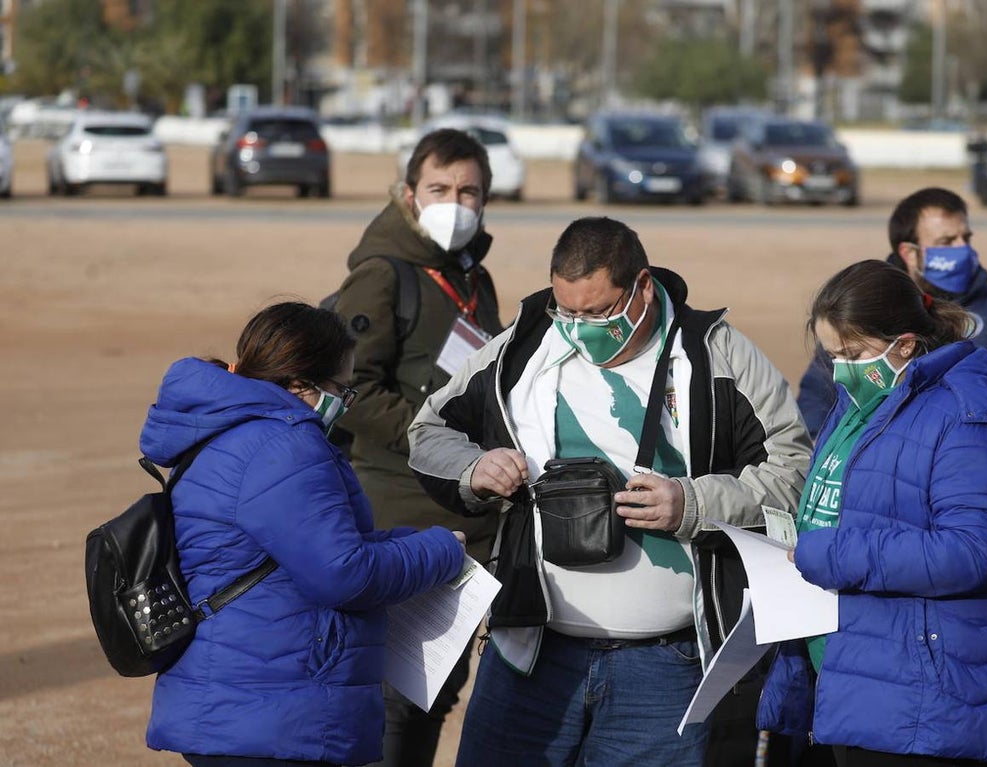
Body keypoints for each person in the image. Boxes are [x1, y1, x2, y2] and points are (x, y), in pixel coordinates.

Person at [408, 216, 812, 766]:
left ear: (642, 286)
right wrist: (474, 468)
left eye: (597, 313)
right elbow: (428, 432)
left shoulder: (717, 353)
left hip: (667, 669)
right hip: (530, 658)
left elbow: (793, 473)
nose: (579, 328)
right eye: (566, 311)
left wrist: (692, 505)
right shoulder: (524, 346)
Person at [139, 302, 466, 767]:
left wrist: (404, 544)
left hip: (240, 700)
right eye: (341, 389)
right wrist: (439, 552)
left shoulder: (230, 428)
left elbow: (297, 548)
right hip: (271, 712)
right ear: (299, 385)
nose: (345, 403)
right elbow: (342, 575)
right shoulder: (284, 444)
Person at [758, 260, 987, 766]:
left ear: (904, 344)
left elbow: (972, 550)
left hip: (927, 703)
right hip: (854, 683)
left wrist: (832, 554)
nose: (840, 370)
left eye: (851, 355)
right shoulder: (859, 404)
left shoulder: (968, 414)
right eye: (832, 356)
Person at [331, 128, 504, 766]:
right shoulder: (381, 275)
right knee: (394, 699)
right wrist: (438, 444)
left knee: (437, 689)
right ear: (409, 194)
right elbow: (350, 391)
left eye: (468, 192)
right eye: (439, 188)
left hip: (465, 519)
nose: (455, 203)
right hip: (398, 513)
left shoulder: (473, 278)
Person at [797, 187, 987, 444]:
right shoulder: (864, 308)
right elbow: (818, 396)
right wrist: (822, 449)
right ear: (910, 253)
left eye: (966, 238)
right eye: (947, 242)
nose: (963, 249)